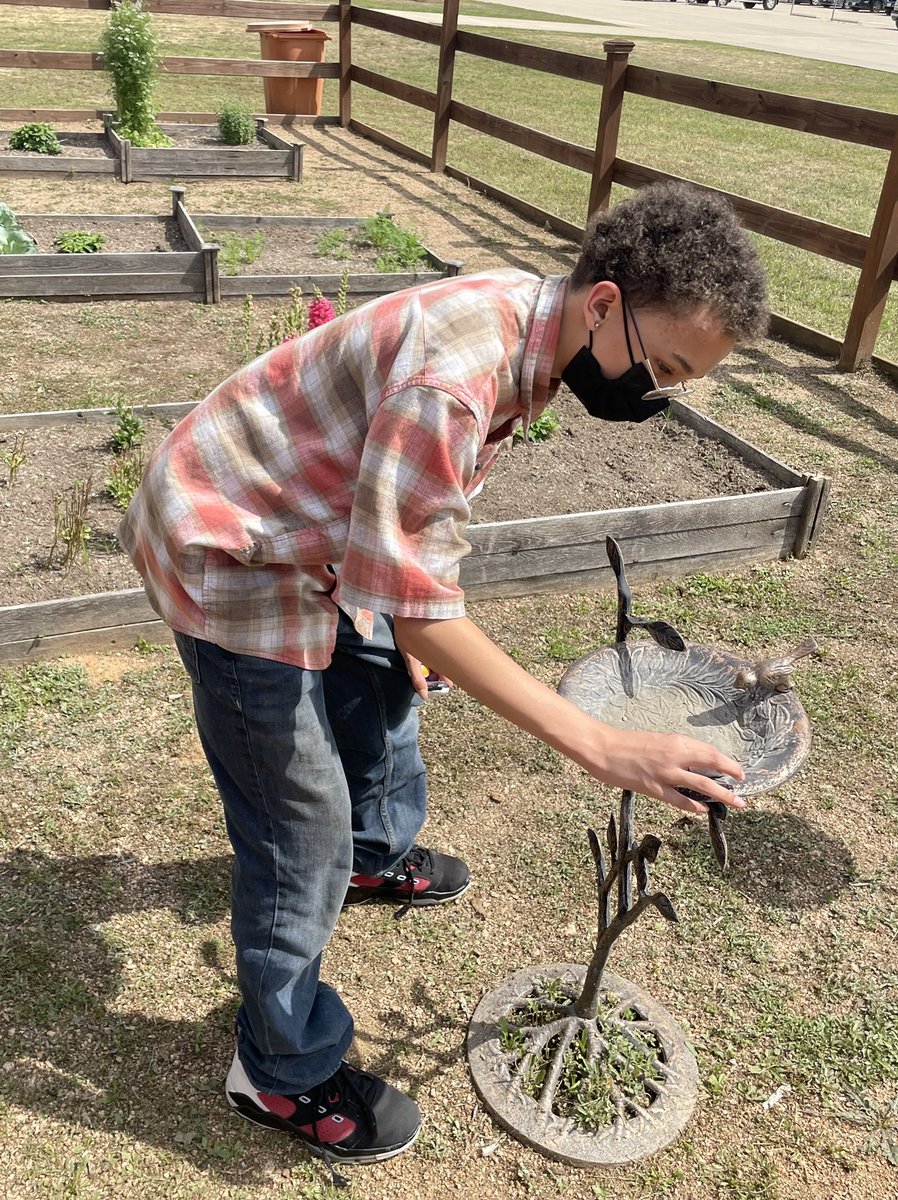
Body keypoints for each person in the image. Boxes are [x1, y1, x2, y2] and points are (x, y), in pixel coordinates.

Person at [118, 181, 768, 1176]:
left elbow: (423, 530)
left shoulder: (535, 334)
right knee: (297, 830)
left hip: (312, 526)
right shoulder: (459, 370)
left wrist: (405, 622)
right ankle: (280, 1069)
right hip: (231, 543)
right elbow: (422, 596)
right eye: (666, 365)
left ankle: (375, 857)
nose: (661, 390)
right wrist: (598, 741)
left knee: (382, 673)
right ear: (603, 305)